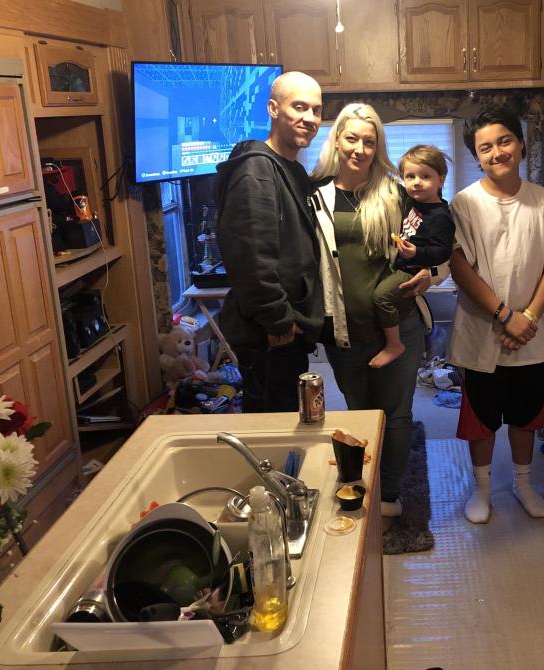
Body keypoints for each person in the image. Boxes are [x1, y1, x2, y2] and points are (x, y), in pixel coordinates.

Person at [448, 104, 544, 524]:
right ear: (477, 155)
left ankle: (523, 483)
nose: (497, 152)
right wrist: (506, 315)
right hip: (482, 329)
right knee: (481, 416)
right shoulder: (464, 204)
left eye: (504, 141)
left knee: (526, 415)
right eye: (486, 147)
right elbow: (460, 266)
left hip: (532, 332)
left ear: (520, 144)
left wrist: (530, 319)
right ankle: (481, 490)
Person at [309, 103, 433, 518]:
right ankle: (361, 480)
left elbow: (438, 238)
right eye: (352, 138)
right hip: (345, 331)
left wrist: (433, 271)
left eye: (369, 140)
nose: (360, 149)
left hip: (400, 326)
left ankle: (390, 494)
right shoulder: (315, 193)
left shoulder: (396, 191)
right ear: (337, 140)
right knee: (359, 414)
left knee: (397, 416)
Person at [215, 71, 323, 413]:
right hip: (270, 333)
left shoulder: (290, 169)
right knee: (273, 429)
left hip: (286, 328)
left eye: (317, 110)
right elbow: (252, 257)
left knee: (293, 417)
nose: (309, 118)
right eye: (299, 107)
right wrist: (278, 320)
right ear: (273, 109)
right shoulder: (256, 171)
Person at [369, 145, 455, 368]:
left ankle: (394, 344)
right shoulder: (412, 203)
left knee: (381, 297)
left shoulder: (440, 216)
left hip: (412, 270)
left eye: (426, 176)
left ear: (441, 179)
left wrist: (417, 252)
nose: (417, 182)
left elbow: (443, 251)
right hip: (402, 264)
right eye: (410, 176)